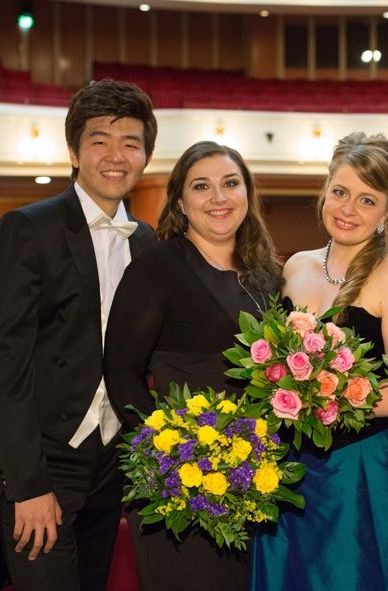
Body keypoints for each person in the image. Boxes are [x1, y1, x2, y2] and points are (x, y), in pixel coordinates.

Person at [0, 79, 158, 591]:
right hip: (43, 462)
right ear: (73, 151)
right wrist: (28, 486)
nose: (116, 156)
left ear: (146, 156)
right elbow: (5, 369)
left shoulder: (149, 241)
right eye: (100, 141)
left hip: (113, 462)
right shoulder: (25, 229)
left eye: (131, 143)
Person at [250, 132, 388, 591]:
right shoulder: (296, 265)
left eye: (366, 200)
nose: (347, 209)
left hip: (368, 470)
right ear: (324, 191)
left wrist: (321, 402)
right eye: (340, 192)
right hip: (293, 466)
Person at [103, 141, 284, 590]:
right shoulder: (159, 265)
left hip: (255, 478)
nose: (218, 198)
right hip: (182, 485)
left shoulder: (266, 272)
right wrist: (166, 456)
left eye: (230, 184)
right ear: (181, 202)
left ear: (247, 193)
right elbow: (122, 370)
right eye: (202, 186)